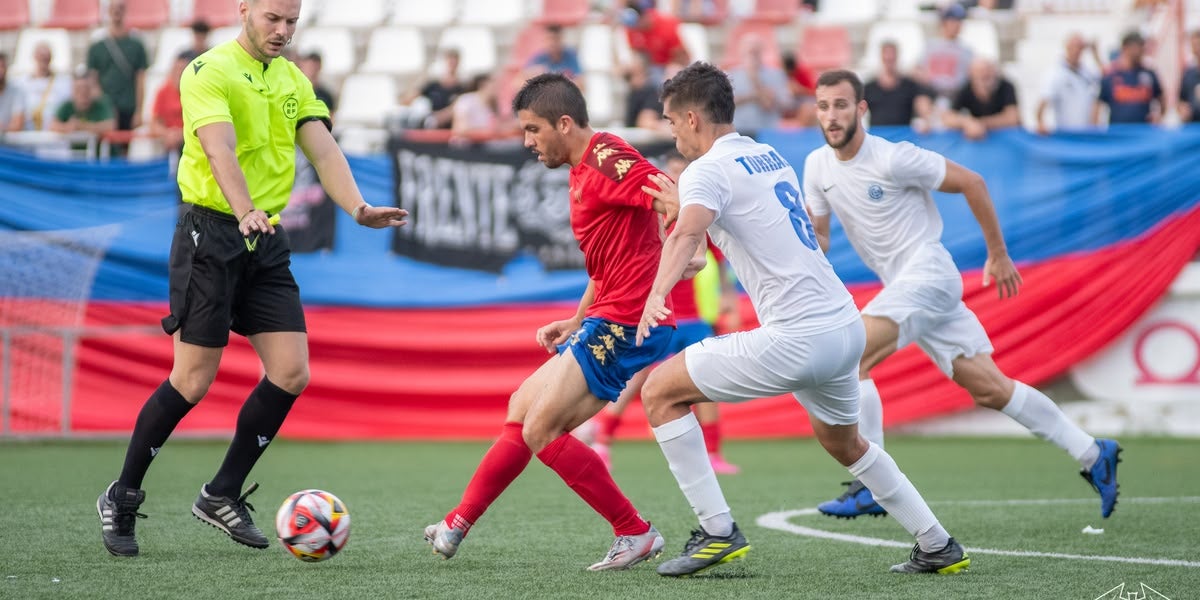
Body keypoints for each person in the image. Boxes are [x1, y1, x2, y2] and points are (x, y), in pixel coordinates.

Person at [95, 0, 409, 558]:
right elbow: (218, 150)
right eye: (273, 18)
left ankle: (221, 492)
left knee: (291, 372)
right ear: (244, 9)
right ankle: (121, 495)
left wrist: (358, 208)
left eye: (292, 21)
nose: (283, 31)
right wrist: (242, 210)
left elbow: (323, 148)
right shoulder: (207, 70)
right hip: (211, 235)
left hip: (265, 239)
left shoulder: (293, 79)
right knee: (192, 381)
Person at [635, 62, 970, 577]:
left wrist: (656, 294)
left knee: (659, 391)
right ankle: (937, 543)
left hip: (799, 338)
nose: (671, 130)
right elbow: (701, 248)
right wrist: (681, 222)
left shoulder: (705, 170)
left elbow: (687, 238)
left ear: (695, 118)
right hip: (844, 328)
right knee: (846, 443)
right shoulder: (767, 156)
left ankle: (717, 532)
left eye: (672, 120)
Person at [802, 70, 1121, 522]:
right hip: (910, 290)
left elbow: (972, 182)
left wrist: (999, 254)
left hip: (928, 274)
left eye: (840, 105)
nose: (831, 116)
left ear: (861, 109)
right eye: (823, 106)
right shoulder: (816, 166)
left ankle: (870, 484)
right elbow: (821, 237)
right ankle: (1093, 453)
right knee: (991, 389)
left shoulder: (895, 158)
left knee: (851, 356)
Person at [423, 72, 691, 571]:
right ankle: (456, 524)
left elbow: (673, 199)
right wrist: (575, 318)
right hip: (606, 316)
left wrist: (678, 260)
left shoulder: (607, 155)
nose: (527, 142)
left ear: (563, 123)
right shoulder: (581, 168)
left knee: (541, 429)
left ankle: (635, 531)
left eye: (533, 130)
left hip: (629, 322)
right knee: (522, 407)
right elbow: (614, 256)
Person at [589, 150, 741, 476]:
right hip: (657, 313)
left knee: (707, 383)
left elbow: (713, 260)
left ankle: (713, 453)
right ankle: (602, 441)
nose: (675, 183)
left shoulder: (697, 216)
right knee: (636, 378)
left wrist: (728, 297)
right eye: (671, 175)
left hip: (696, 318)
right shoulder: (651, 215)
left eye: (681, 176)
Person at [86, 0, 149, 140]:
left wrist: (139, 111)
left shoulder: (136, 45)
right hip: (106, 107)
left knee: (125, 144)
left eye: (120, 8)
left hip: (128, 105)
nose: (116, 12)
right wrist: (102, 104)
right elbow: (93, 79)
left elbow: (140, 79)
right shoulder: (97, 47)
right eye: (113, 8)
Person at [1036, 33, 1103, 134]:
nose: (1077, 51)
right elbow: (1043, 101)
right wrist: (1040, 122)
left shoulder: (1087, 73)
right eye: (1074, 47)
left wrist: (1095, 54)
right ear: (1067, 47)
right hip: (1067, 135)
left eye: (1080, 48)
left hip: (1088, 133)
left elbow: (1106, 78)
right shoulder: (1055, 74)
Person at [727, 34, 793, 135]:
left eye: (756, 52)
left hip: (768, 131)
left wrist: (755, 80)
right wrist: (754, 95)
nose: (752, 57)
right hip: (740, 130)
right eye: (749, 53)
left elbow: (785, 103)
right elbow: (726, 103)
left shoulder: (776, 74)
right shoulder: (731, 75)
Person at [1094, 31, 1163, 125]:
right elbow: (1098, 104)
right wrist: (1095, 130)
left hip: (1144, 133)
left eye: (1141, 46)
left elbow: (1161, 98)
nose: (1141, 51)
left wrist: (1159, 115)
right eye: (1136, 46)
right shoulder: (1111, 76)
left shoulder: (1148, 74)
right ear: (1125, 48)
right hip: (1119, 134)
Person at [864, 40, 934, 132]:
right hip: (877, 139)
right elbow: (857, 110)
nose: (889, 57)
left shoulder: (910, 86)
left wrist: (926, 120)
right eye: (886, 54)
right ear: (881, 57)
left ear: (897, 56)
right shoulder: (869, 87)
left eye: (892, 54)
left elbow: (922, 103)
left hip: (903, 139)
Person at [942, 58, 1020, 140]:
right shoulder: (965, 88)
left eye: (988, 70)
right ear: (971, 75)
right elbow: (948, 117)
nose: (985, 74)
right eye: (980, 71)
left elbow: (1013, 118)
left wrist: (980, 123)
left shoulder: (1006, 86)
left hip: (1007, 137)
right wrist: (967, 123)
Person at [620, 0, 690, 82]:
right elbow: (637, 53)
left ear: (645, 16)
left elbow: (682, 57)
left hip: (671, 65)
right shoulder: (632, 28)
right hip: (651, 67)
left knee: (670, 74)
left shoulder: (666, 24)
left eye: (638, 23)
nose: (636, 27)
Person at [916, 3, 973, 105]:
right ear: (944, 22)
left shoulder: (966, 50)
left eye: (959, 21)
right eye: (953, 21)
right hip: (931, 93)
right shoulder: (930, 46)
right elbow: (918, 69)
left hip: (956, 96)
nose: (956, 25)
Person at [16, 42, 72, 131]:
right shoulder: (20, 83)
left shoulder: (63, 82)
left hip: (54, 137)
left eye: (46, 57)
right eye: (41, 57)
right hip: (26, 136)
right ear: (34, 57)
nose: (43, 60)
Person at [50, 73, 117, 136]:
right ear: (73, 91)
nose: (83, 93)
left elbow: (111, 125)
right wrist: (67, 127)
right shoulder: (66, 106)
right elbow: (52, 125)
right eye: (79, 89)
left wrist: (82, 126)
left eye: (86, 89)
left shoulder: (101, 104)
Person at [1177, 30, 1200, 123]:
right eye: (1195, 45)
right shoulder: (1188, 74)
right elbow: (1181, 101)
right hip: (1193, 128)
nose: (1198, 49)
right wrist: (1182, 109)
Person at [0, 53, 24, 133]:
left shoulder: (16, 91)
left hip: (8, 144)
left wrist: (3, 128)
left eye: (2, 66)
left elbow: (18, 125)